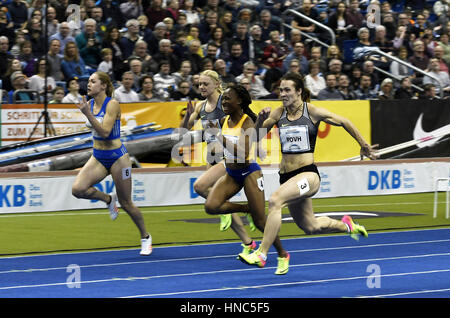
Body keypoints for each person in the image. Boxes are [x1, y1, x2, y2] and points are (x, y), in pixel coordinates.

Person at [239, 72, 378, 270]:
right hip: (286, 176)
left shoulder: (311, 112)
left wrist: (363, 144)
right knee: (310, 226)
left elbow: (344, 121)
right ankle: (347, 225)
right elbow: (255, 137)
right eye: (280, 90)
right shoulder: (278, 113)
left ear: (299, 92)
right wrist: (260, 120)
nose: (283, 94)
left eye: (287, 90)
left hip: (308, 174)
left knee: (275, 200)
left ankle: (261, 254)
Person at [205, 83, 290, 275]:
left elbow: (243, 154)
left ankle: (283, 254)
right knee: (211, 206)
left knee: (261, 222)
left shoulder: (247, 122)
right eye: (223, 99)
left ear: (240, 101)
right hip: (232, 174)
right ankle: (246, 209)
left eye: (228, 98)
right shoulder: (223, 121)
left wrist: (219, 137)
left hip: (249, 172)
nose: (224, 101)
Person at [72, 71, 152, 256]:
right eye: (89, 82)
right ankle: (108, 199)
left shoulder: (112, 104)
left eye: (93, 82)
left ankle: (145, 237)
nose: (89, 85)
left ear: (103, 86)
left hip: (118, 158)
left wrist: (87, 115)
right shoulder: (90, 104)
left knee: (127, 203)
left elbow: (106, 132)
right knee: (78, 189)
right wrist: (87, 113)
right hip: (98, 156)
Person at [179, 70, 252, 237]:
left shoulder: (225, 102)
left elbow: (245, 121)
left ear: (217, 84)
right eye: (199, 84)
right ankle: (248, 242)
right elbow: (183, 132)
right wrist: (187, 117)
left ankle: (246, 212)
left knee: (211, 196)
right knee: (216, 201)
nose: (202, 87)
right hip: (211, 158)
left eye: (206, 84)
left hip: (228, 157)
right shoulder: (200, 107)